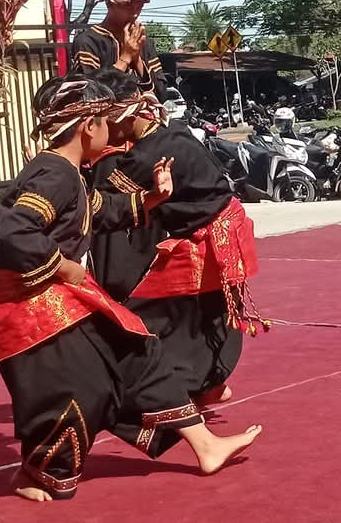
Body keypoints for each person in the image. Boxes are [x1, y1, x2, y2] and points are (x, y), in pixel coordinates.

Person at [0, 78, 172, 501]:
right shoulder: (55, 175)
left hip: (38, 295)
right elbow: (16, 230)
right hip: (20, 301)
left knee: (96, 375)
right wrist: (62, 266)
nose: (111, 132)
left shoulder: (68, 175)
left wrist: (152, 198)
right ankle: (40, 472)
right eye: (104, 123)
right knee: (75, 388)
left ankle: (42, 468)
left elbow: (98, 209)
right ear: (87, 128)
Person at [90, 75, 266, 466]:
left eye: (103, 118)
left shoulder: (145, 156)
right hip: (219, 232)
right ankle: (207, 388)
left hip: (208, 243)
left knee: (141, 328)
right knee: (199, 317)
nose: (103, 129)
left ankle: (196, 391)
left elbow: (102, 207)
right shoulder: (174, 133)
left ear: (126, 114)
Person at [69, 0, 164, 90]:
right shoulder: (88, 42)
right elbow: (91, 95)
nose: (136, 13)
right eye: (129, 5)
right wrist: (125, 58)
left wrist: (136, 59)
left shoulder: (144, 42)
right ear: (109, 1)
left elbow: (161, 93)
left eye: (140, 6)